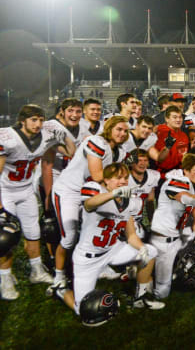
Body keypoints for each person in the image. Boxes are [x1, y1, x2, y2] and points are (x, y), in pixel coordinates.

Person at [49, 163, 164, 318]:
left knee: (151, 251)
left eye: (125, 178)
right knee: (82, 310)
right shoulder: (94, 189)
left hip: (112, 250)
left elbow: (131, 235)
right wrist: (114, 194)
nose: (123, 181)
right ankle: (61, 291)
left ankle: (140, 298)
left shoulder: (127, 201)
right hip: (88, 258)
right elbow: (89, 204)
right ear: (107, 180)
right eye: (118, 178)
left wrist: (141, 248)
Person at [0, 105, 75, 300]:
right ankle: (5, 279)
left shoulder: (45, 137)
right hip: (5, 191)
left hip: (25, 190)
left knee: (34, 233)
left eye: (41, 120)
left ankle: (36, 271)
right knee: (6, 237)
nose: (38, 124)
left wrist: (64, 135)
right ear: (22, 120)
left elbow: (71, 152)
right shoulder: (8, 138)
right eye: (33, 120)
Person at [48, 116, 129, 294]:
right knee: (69, 237)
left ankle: (100, 267)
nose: (122, 134)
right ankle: (59, 276)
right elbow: (97, 175)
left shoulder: (120, 152)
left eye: (125, 131)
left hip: (92, 193)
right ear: (109, 128)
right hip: (71, 191)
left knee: (95, 232)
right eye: (119, 129)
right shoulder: (96, 141)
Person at [150, 154, 195, 298]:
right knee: (162, 293)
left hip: (180, 236)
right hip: (164, 240)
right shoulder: (176, 181)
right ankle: (139, 269)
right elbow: (187, 198)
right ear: (186, 170)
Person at [154, 106, 189, 173]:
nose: (178, 120)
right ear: (167, 119)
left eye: (180, 117)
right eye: (175, 117)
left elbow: (183, 157)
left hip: (180, 173)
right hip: (163, 174)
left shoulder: (183, 135)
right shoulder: (160, 132)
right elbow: (160, 159)